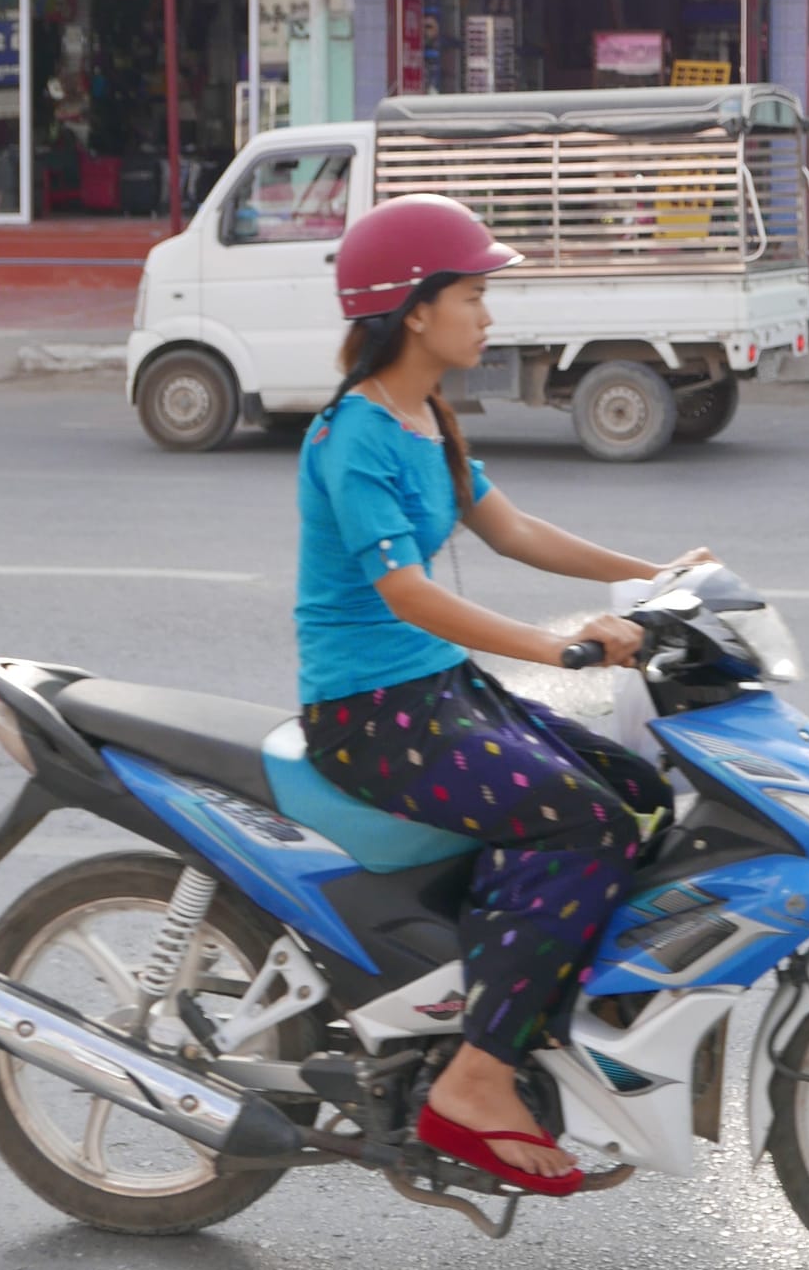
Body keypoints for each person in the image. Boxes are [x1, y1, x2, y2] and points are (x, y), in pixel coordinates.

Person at [294, 194, 707, 1198]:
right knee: (579, 823)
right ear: (413, 309)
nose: (487, 313)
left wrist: (653, 578)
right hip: (369, 715)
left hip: (437, 690)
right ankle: (474, 1078)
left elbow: (511, 528)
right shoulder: (352, 437)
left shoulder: (427, 414)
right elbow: (406, 591)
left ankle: (531, 1002)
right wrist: (557, 647)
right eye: (472, 294)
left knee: (639, 792)